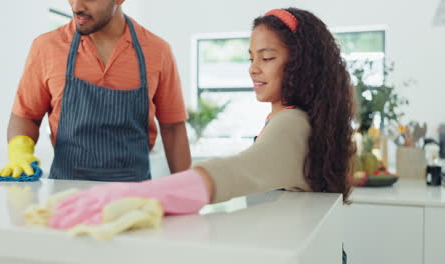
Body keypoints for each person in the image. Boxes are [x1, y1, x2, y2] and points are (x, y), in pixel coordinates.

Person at [49, 7, 355, 229]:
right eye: (252, 58)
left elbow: (236, 171)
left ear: (302, 65)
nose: (253, 68)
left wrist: (141, 193)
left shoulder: (292, 125)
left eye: (267, 58)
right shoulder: (297, 121)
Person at [0, 0, 191, 181]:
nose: (77, 6)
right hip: (66, 192)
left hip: (133, 195)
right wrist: (19, 150)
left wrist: (185, 189)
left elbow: (172, 128)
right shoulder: (47, 47)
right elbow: (27, 115)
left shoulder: (157, 50)